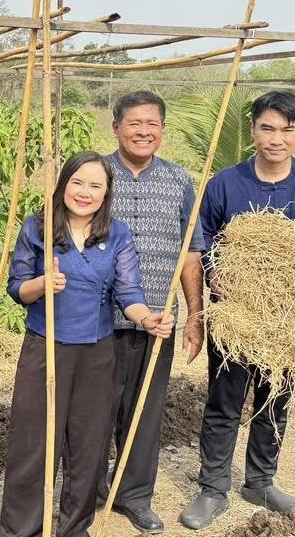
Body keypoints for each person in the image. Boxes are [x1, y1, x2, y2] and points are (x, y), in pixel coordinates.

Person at [180, 91, 295, 530]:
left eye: (287, 130)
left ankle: (260, 481)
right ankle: (213, 488)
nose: (277, 139)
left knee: (275, 400)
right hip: (237, 317)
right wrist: (217, 275)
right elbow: (204, 241)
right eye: (267, 128)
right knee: (224, 403)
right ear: (254, 130)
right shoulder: (225, 184)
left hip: (292, 322)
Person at [0, 150, 175, 537]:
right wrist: (42, 285)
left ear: (107, 193)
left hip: (97, 353)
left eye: (96, 185)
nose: (85, 192)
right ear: (63, 185)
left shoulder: (117, 235)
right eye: (77, 182)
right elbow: (16, 288)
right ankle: (21, 530)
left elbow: (130, 293)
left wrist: (147, 318)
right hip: (45, 349)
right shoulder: (39, 228)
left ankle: (74, 529)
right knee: (33, 445)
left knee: (88, 447)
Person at [98, 91, 206, 534]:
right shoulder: (95, 176)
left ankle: (135, 496)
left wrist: (194, 316)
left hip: (158, 319)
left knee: (145, 410)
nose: (144, 132)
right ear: (117, 127)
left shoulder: (180, 181)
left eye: (152, 124)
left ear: (163, 129)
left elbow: (191, 254)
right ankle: (88, 490)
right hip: (98, 319)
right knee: (95, 410)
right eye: (134, 123)